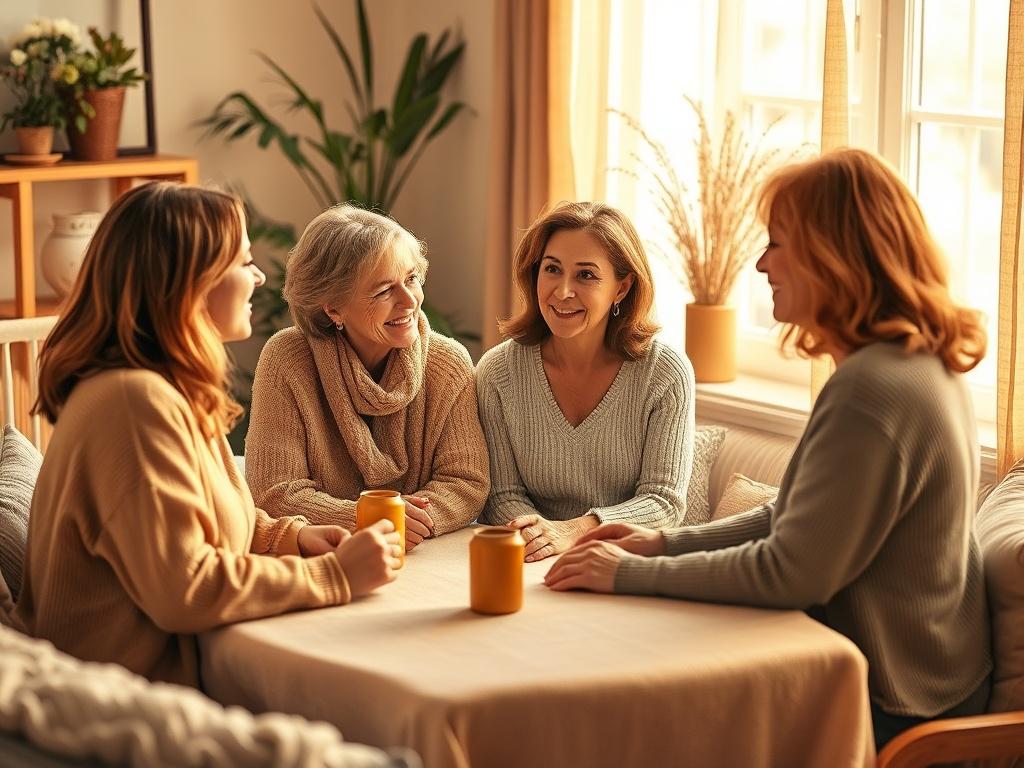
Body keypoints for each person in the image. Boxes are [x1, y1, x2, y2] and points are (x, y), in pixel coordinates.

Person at [545, 149, 992, 749]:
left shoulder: (871, 390)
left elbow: (790, 573)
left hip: (901, 708)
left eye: (777, 243)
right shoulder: (912, 364)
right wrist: (658, 543)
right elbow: (794, 521)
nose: (760, 264)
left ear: (830, 256)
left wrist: (629, 574)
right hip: (932, 682)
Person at [15, 183, 401, 686]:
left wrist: (289, 538)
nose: (259, 276)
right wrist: (335, 577)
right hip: (117, 708)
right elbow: (185, 588)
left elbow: (206, 521)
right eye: (243, 262)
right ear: (192, 284)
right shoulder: (134, 405)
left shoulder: (168, 388)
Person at [245, 205, 489, 549]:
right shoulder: (287, 359)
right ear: (333, 308)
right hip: (326, 554)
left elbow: (465, 482)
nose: (409, 302)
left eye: (411, 279)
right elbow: (274, 493)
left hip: (424, 551)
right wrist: (370, 517)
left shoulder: (448, 363)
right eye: (384, 290)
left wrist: (410, 521)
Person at [477, 201, 695, 563]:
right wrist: (544, 543)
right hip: (531, 562)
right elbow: (501, 496)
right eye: (552, 269)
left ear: (621, 288)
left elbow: (664, 502)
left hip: (632, 565)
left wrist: (574, 532)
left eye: (586, 275)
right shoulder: (498, 371)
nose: (562, 291)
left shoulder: (665, 373)